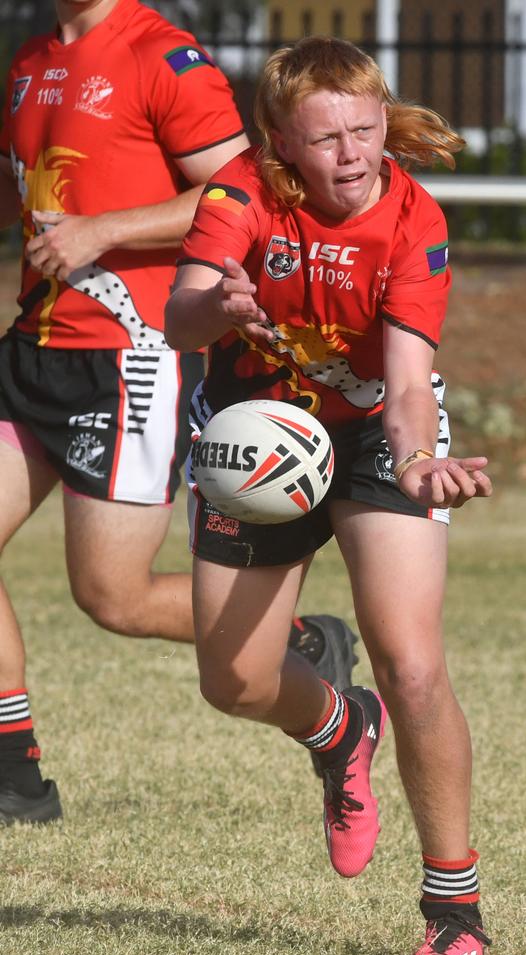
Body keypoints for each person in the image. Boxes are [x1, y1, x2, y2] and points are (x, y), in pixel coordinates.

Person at [165, 36, 493, 955]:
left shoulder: (411, 219)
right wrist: (219, 307)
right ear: (278, 144)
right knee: (232, 681)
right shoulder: (240, 192)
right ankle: (337, 727)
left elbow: (407, 374)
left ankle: (454, 903)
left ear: (384, 120)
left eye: (365, 128)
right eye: (326, 137)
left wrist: (420, 460)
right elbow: (179, 314)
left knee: (412, 662)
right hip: (252, 437)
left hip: (373, 433)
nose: (352, 153)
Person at [0, 0, 355, 827]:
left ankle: (300, 641)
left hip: (130, 358)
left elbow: (250, 193)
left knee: (112, 598)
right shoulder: (28, 61)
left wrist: (103, 231)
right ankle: (15, 780)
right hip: (32, 346)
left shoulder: (163, 55)